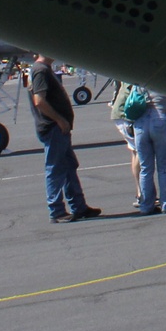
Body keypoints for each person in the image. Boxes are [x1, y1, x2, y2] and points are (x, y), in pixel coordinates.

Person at [30, 55, 100, 223]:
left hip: (58, 128)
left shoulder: (44, 70)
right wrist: (59, 120)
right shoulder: (40, 71)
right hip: (53, 128)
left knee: (69, 165)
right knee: (55, 168)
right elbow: (39, 101)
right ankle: (56, 210)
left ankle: (79, 206)